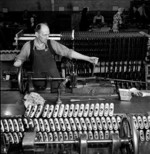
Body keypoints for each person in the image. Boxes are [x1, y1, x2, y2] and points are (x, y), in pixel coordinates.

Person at [14, 23, 99, 93]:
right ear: (36, 34)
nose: (47, 37)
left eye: (48, 34)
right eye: (44, 35)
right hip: (38, 83)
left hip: (55, 82)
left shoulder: (52, 44)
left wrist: (88, 58)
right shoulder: (28, 46)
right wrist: (18, 62)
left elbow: (68, 52)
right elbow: (21, 58)